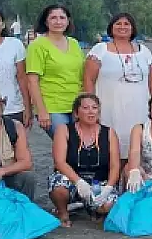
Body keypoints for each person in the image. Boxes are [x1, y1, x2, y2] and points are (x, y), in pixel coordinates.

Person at [83, 12, 152, 162]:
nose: (122, 27)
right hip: (110, 109)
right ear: (111, 27)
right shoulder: (100, 50)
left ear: (133, 28)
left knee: (138, 150)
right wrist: (91, 107)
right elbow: (89, 79)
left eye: (126, 24)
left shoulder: (144, 51)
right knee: (111, 152)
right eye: (118, 24)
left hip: (139, 109)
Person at [48, 93, 121, 226]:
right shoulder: (64, 130)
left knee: (107, 205)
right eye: (86, 108)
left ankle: (92, 208)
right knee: (59, 187)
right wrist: (79, 182)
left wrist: (109, 187)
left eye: (94, 107)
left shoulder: (109, 132)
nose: (91, 111)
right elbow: (59, 162)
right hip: (72, 179)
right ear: (76, 113)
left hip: (99, 181)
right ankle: (63, 212)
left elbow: (115, 165)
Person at [26, 4, 85, 137]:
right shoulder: (37, 46)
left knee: (78, 147)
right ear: (46, 21)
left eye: (62, 18)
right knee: (65, 144)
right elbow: (32, 81)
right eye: (53, 18)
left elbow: (81, 75)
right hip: (52, 107)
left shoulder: (74, 44)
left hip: (76, 105)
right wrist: (41, 111)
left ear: (68, 21)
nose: (58, 22)